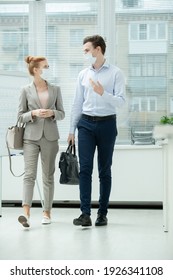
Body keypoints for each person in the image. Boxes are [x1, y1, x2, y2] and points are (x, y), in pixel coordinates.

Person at [68, 35, 126, 227]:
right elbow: (77, 103)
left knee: (104, 170)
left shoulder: (116, 73)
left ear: (98, 49)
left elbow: (121, 102)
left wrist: (103, 93)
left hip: (107, 124)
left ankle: (102, 214)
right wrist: (71, 130)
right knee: (85, 170)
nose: (85, 54)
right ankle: (85, 214)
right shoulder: (83, 74)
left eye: (87, 50)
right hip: (85, 124)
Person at [17, 56, 65, 228]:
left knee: (48, 176)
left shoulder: (55, 89)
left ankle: (46, 212)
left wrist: (52, 113)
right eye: (45, 66)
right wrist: (34, 113)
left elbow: (62, 113)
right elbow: (20, 116)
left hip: (50, 137)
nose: (48, 68)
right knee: (29, 175)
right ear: (36, 69)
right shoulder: (25, 90)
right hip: (30, 137)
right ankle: (26, 214)